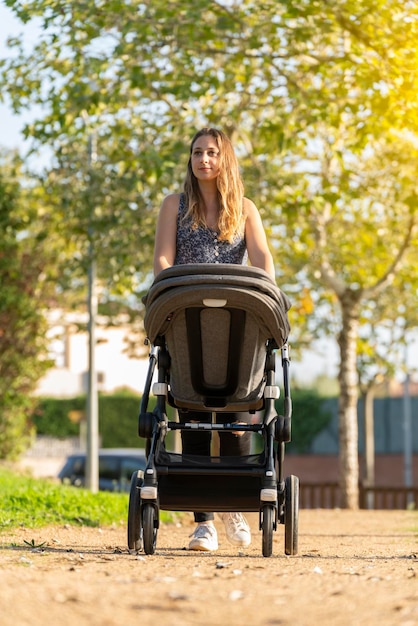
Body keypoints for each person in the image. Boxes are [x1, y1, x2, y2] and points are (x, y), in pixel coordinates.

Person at [153, 127, 275, 551]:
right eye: (197, 152)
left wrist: (270, 296)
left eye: (212, 153)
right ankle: (203, 523)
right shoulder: (175, 206)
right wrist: (169, 286)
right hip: (188, 319)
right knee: (193, 419)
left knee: (236, 423)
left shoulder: (243, 209)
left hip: (236, 326)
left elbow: (262, 260)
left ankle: (235, 510)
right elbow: (164, 259)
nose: (204, 159)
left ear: (225, 160)